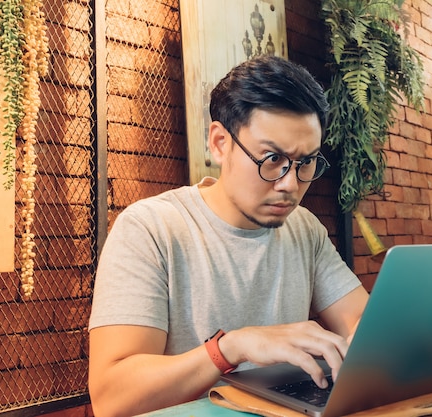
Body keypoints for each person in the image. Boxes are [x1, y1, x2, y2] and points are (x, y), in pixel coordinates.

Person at [88, 55, 369, 417]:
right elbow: (112, 397)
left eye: (306, 162)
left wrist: (367, 339)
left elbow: (361, 321)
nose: (290, 184)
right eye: (272, 158)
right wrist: (232, 348)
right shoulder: (151, 227)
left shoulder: (304, 228)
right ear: (220, 143)